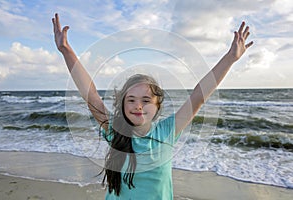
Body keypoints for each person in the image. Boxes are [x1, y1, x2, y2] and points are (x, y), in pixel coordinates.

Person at [52, 13, 253, 199]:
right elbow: (92, 96)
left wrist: (229, 59)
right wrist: (66, 51)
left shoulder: (167, 130)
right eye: (131, 100)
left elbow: (198, 96)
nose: (138, 106)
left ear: (157, 106)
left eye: (146, 100)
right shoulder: (115, 131)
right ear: (122, 104)